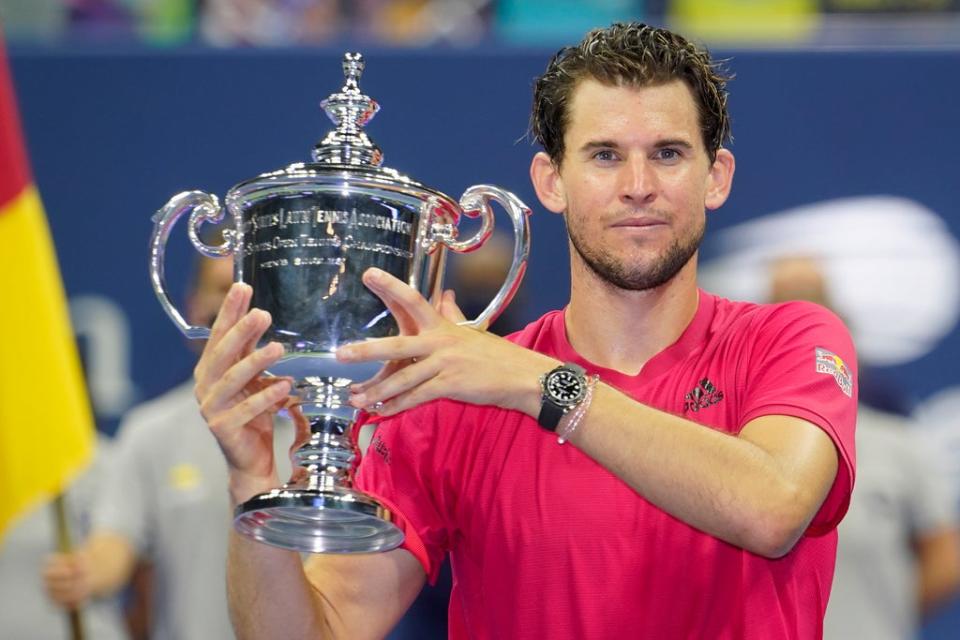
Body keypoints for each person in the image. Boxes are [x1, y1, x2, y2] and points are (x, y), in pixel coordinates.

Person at [194, 22, 858, 639]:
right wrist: (252, 489)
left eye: (668, 153)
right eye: (603, 155)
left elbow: (772, 508)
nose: (637, 185)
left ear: (716, 177)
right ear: (551, 181)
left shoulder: (791, 339)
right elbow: (320, 630)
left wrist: (539, 384)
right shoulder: (459, 393)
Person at [43, 255, 295, 640]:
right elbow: (115, 542)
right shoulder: (150, 430)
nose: (238, 307)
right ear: (193, 307)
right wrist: (87, 571)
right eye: (223, 290)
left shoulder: (331, 428)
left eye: (253, 292)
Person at [767, 255, 960, 640]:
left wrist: (886, 619)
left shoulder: (896, 442)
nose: (803, 329)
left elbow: (945, 557)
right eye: (785, 308)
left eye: (814, 306)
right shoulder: (725, 437)